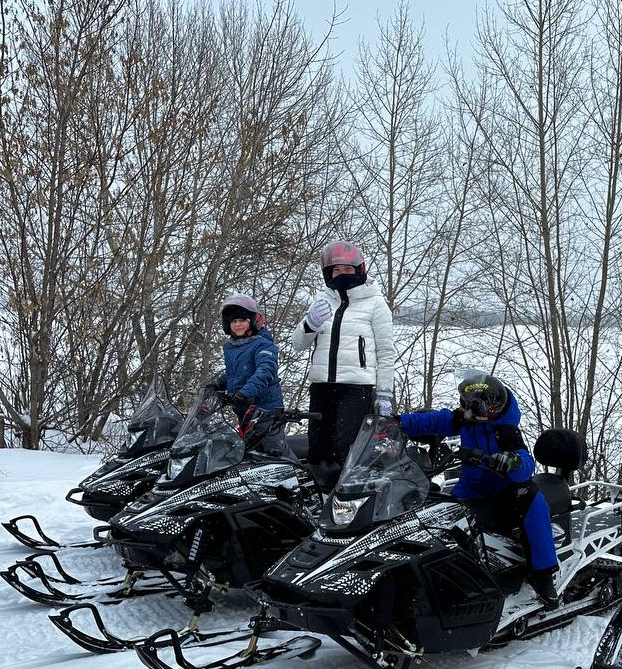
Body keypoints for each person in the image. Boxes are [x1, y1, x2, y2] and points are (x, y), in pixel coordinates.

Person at [397, 371, 561, 607]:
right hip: (472, 487)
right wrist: (397, 422)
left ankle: (543, 574)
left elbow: (525, 462)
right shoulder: (467, 418)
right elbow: (434, 420)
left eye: (482, 408)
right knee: (441, 516)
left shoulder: (505, 430)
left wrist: (510, 462)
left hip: (506, 488)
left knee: (534, 504)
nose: (470, 413)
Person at [290, 240, 396, 472]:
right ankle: (318, 502)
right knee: (318, 452)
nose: (342, 274)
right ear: (328, 273)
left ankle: (348, 504)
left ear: (359, 269)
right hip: (322, 386)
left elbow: (386, 352)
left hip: (355, 389)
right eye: (336, 270)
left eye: (347, 269)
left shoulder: (376, 303)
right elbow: (297, 344)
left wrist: (384, 393)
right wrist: (310, 324)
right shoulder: (322, 301)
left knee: (346, 451)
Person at [213, 293, 286, 455]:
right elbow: (235, 373)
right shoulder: (230, 347)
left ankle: (297, 476)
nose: (238, 325)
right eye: (234, 321)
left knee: (274, 454)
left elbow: (265, 371)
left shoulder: (263, 345)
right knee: (250, 457)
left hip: (265, 412)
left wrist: (244, 393)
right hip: (245, 412)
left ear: (252, 321)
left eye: (242, 320)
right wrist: (217, 384)